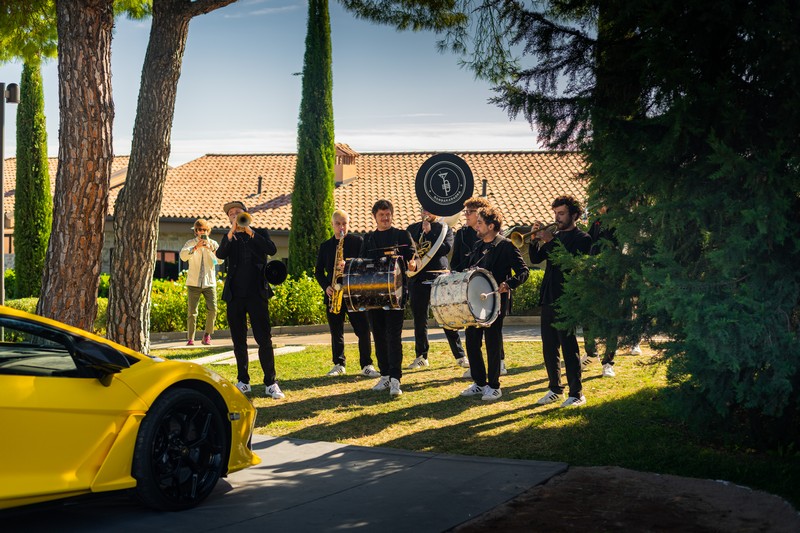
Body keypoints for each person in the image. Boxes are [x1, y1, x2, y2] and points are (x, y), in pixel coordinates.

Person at [216, 200, 285, 399]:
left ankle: (271, 383)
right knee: (239, 341)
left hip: (257, 294)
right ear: (229, 218)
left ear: (246, 214)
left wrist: (250, 232)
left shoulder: (260, 233)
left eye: (238, 212)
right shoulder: (228, 237)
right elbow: (220, 254)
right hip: (235, 296)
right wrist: (230, 234)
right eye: (231, 214)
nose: (235, 215)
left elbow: (271, 250)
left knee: (264, 339)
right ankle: (243, 381)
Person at [459, 206, 528, 401]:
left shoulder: (505, 246)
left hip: (496, 303)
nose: (477, 226)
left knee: (492, 342)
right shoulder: (478, 246)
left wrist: (509, 284)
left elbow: (524, 272)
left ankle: (494, 386)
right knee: (472, 340)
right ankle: (480, 383)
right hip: (475, 303)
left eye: (480, 223)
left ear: (491, 226)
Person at [530, 195, 592, 407]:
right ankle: (555, 388)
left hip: (566, 298)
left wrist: (550, 240)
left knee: (568, 347)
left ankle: (577, 393)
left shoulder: (583, 238)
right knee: (549, 347)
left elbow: (570, 264)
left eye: (562, 213)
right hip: (549, 296)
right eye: (555, 213)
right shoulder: (555, 236)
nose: (557, 217)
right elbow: (537, 259)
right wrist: (534, 240)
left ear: (574, 215)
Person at [359, 199, 417, 397]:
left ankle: (395, 379)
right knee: (379, 336)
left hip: (396, 295)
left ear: (392, 215)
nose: (385, 218)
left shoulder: (402, 235)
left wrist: (413, 265)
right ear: (375, 217)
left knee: (393, 337)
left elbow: (413, 258)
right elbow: (361, 264)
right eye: (381, 215)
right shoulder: (368, 240)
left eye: (388, 214)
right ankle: (384, 375)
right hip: (373, 296)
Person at [315, 209, 379, 378]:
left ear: (348, 224)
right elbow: (318, 272)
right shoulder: (325, 246)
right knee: (336, 331)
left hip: (354, 293)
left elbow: (366, 263)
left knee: (364, 330)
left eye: (344, 223)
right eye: (338, 224)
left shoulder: (358, 241)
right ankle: (339, 364)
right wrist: (326, 287)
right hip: (333, 293)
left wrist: (349, 264)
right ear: (332, 225)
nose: (341, 227)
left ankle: (367, 364)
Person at [451, 196, 509, 377]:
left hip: (492, 290)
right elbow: (457, 262)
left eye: (470, 212)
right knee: (472, 333)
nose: (466, 215)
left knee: (493, 333)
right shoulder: (461, 234)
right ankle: (476, 371)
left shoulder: (496, 237)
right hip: (471, 289)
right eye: (465, 212)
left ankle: (499, 362)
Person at [405, 206, 468, 370]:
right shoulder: (412, 229)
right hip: (418, 279)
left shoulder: (444, 229)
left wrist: (429, 233)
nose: (425, 213)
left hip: (438, 278)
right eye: (423, 210)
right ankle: (421, 356)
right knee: (420, 321)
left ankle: (460, 355)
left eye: (429, 210)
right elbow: (407, 251)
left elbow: (445, 249)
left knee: (447, 317)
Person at [583, 205, 619, 377]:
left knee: (611, 321)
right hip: (593, 274)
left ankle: (608, 363)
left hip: (611, 276)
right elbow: (587, 241)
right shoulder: (596, 222)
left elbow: (615, 243)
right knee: (587, 316)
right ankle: (591, 352)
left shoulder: (615, 223)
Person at [179, 219, 221, 346]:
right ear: (196, 231)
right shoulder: (190, 243)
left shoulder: (213, 244)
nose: (201, 232)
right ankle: (191, 338)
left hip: (209, 283)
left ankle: (207, 335)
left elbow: (220, 261)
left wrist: (211, 250)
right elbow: (183, 256)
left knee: (213, 309)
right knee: (192, 312)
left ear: (208, 231)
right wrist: (196, 248)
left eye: (204, 230)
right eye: (199, 230)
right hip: (193, 282)